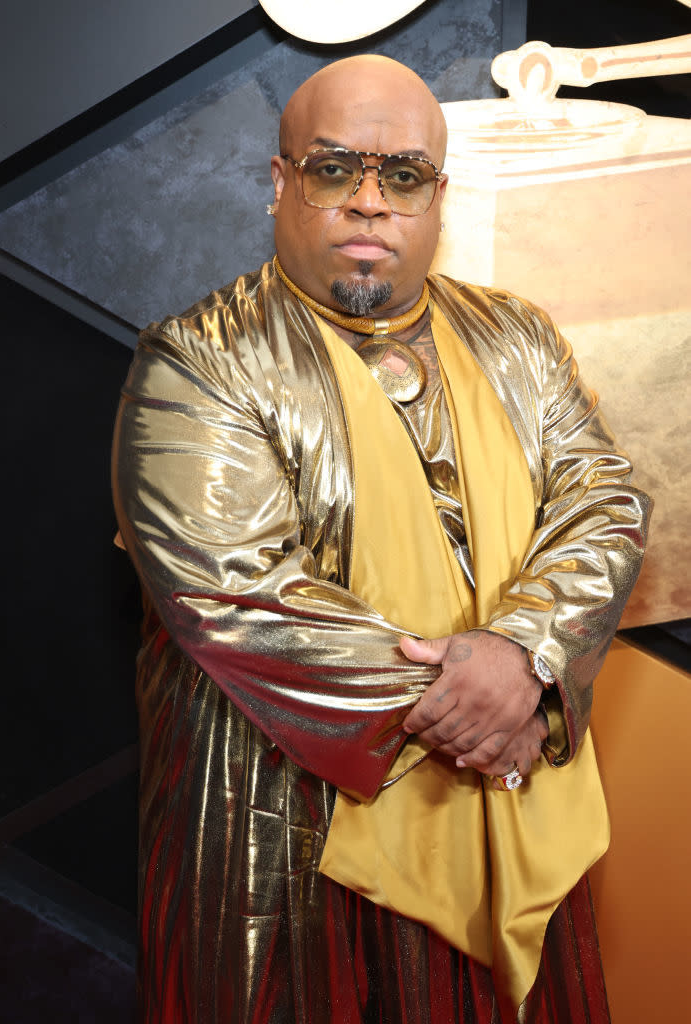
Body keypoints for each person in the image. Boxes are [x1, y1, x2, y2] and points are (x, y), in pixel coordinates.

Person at [112, 55, 650, 1024]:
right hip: (285, 835)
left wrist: (525, 650)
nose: (369, 201)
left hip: (501, 812)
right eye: (334, 170)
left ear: (439, 194)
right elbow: (238, 596)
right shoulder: (196, 361)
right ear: (281, 184)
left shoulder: (517, 336)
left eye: (400, 174)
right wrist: (494, 702)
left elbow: (601, 501)